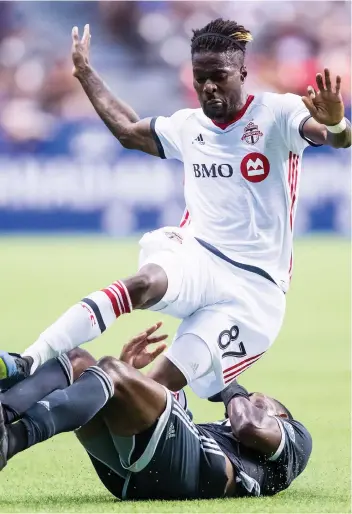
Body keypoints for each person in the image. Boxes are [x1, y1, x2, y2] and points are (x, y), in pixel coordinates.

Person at [0, 18, 350, 399]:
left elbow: (335, 138)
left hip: (254, 286)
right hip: (198, 255)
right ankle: (28, 361)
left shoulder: (277, 112)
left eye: (219, 75)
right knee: (142, 282)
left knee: (148, 393)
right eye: (200, 78)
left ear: (243, 72)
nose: (209, 86)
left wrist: (336, 123)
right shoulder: (189, 125)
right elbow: (129, 130)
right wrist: (85, 74)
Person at [0, 323, 312, 500]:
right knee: (82, 362)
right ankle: (5, 408)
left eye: (260, 401)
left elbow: (248, 426)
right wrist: (127, 374)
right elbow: (159, 418)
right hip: (144, 477)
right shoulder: (220, 432)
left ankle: (11, 440)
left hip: (200, 473)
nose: (249, 401)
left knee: (110, 370)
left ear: (280, 416)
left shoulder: (296, 439)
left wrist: (230, 382)